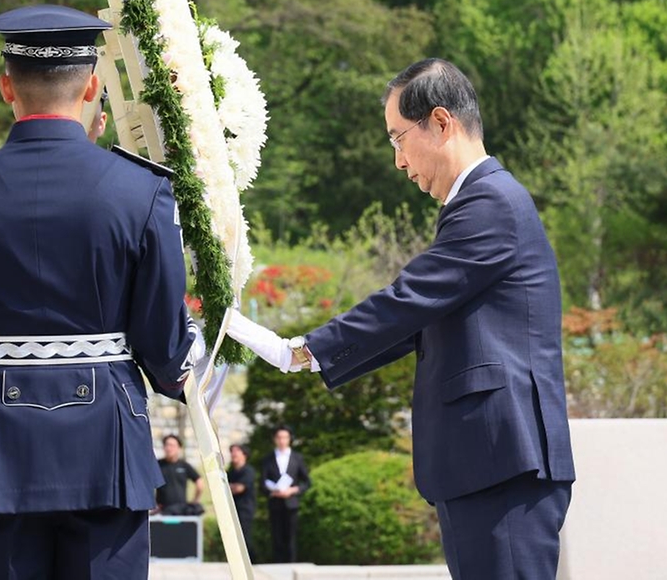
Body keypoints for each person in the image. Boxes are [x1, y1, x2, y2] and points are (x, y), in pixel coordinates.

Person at [226, 58, 576, 580]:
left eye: (397, 138)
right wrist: (305, 353)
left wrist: (304, 349)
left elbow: (408, 299)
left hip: (504, 459)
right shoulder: (480, 202)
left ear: (440, 123)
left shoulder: (490, 202)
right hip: (491, 460)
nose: (397, 161)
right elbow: (420, 317)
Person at [0, 4, 202, 580]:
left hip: (2, 441)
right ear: (92, 88)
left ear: (7, 86)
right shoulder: (142, 189)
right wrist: (188, 371)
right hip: (107, 437)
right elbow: (162, 339)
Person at [260, 425, 310, 563]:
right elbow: (262, 483)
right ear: (275, 439)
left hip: (291, 503)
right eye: (279, 437)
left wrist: (293, 490)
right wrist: (273, 492)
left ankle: (290, 564)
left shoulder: (297, 458)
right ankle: (277, 565)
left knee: (291, 536)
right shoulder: (268, 459)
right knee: (276, 536)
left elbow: (306, 482)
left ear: (289, 439)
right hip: (275, 502)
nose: (282, 440)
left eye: (285, 437)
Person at [155, 434, 205, 515]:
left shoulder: (184, 465)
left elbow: (200, 482)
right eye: (166, 445)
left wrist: (195, 500)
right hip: (162, 510)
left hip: (181, 510)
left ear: (179, 448)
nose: (169, 448)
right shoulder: (157, 465)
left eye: (172, 445)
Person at [227, 443, 257, 561]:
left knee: (244, 537)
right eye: (232, 452)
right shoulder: (231, 472)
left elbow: (239, 488)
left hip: (245, 508)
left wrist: (230, 487)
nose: (233, 454)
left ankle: (251, 560)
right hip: (233, 508)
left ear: (244, 455)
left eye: (236, 451)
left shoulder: (248, 471)